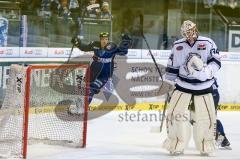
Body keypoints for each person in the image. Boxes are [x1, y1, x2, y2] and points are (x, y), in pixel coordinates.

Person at [163, 20, 221, 156]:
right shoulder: (178, 45)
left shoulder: (208, 42)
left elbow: (216, 61)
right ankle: (177, 144)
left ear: (196, 29)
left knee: (205, 119)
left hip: (204, 87)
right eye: (186, 33)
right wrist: (169, 85)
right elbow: (172, 68)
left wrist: (208, 72)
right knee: (176, 116)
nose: (189, 35)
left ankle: (205, 145)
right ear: (183, 34)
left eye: (191, 31)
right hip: (183, 86)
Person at [69, 32, 132, 114]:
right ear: (100, 39)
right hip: (92, 71)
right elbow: (84, 47)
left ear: (108, 40)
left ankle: (83, 109)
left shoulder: (112, 47)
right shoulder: (95, 44)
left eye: (106, 39)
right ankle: (78, 106)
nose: (104, 41)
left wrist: (126, 41)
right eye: (102, 39)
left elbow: (123, 51)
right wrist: (77, 43)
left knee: (91, 89)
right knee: (83, 88)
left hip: (104, 75)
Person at [212, 79, 231, 150]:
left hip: (211, 95)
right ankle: (221, 137)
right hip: (212, 95)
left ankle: (222, 137)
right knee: (208, 119)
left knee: (208, 119)